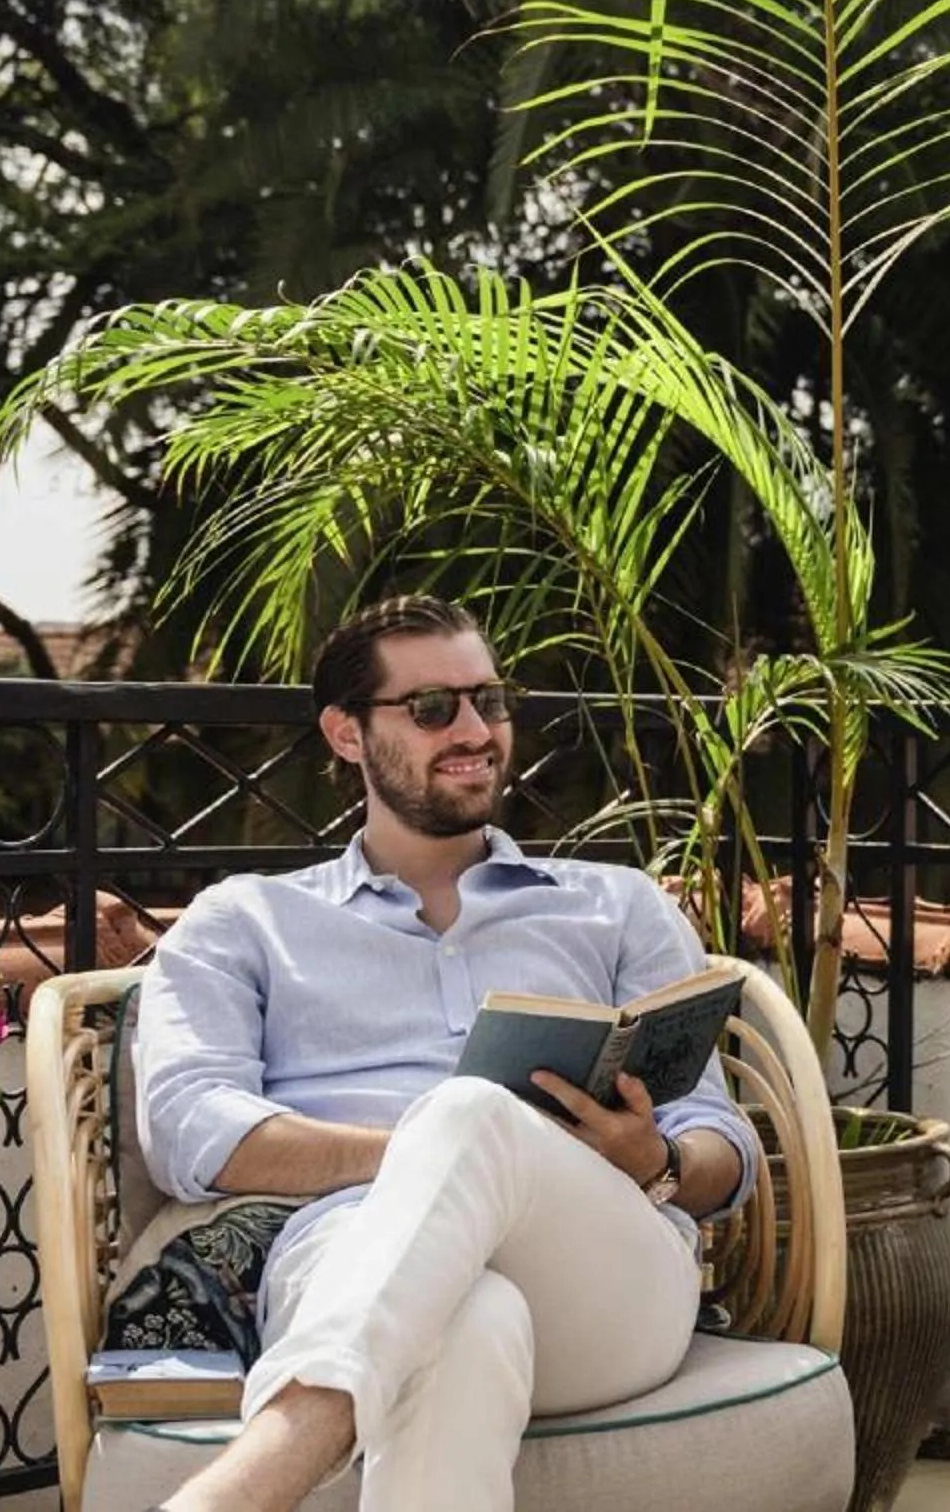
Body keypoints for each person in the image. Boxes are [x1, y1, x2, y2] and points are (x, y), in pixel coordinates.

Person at [131, 595, 760, 1512]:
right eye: (432, 709)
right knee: (467, 1313)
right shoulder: (248, 920)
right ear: (347, 735)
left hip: (606, 1282)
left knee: (471, 1119)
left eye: (489, 701)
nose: (473, 730)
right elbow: (192, 1129)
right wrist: (442, 1158)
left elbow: (720, 1140)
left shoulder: (616, 906)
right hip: (347, 1253)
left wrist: (656, 1159)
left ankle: (256, 1477)